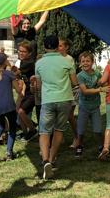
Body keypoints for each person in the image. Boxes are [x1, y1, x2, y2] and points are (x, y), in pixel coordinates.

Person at [35, 35, 78, 179]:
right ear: (57, 47)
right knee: (59, 130)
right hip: (64, 99)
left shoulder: (39, 63)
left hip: (47, 99)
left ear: (44, 47)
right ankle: (52, 160)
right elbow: (74, 82)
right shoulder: (66, 61)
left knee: (44, 131)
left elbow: (39, 86)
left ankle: (45, 160)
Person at [75, 51, 110, 158]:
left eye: (88, 61)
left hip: (95, 106)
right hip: (84, 106)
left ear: (92, 62)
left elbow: (103, 82)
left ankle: (101, 147)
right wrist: (100, 89)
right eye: (83, 61)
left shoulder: (97, 74)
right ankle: (79, 145)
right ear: (80, 63)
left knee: (99, 130)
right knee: (81, 130)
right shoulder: (80, 76)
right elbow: (85, 91)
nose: (85, 63)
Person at [12, 42, 37, 142]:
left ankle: (32, 130)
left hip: (33, 92)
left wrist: (11, 70)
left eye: (24, 52)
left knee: (22, 112)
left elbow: (17, 73)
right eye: (20, 51)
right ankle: (24, 132)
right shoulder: (23, 62)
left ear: (30, 53)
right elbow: (20, 75)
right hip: (27, 91)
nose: (21, 53)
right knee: (19, 112)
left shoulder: (29, 63)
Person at [57, 38, 81, 147]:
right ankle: (59, 136)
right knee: (58, 114)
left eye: (60, 46)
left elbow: (69, 75)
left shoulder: (68, 59)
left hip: (71, 90)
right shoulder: (56, 58)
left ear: (66, 47)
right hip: (61, 90)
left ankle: (77, 137)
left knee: (69, 116)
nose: (58, 48)